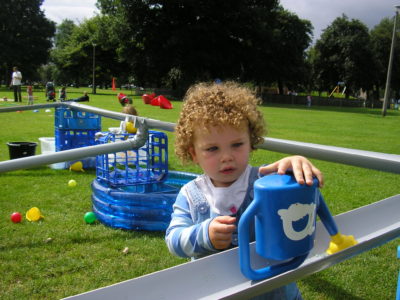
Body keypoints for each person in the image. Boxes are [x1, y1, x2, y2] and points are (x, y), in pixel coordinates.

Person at [165, 81, 323, 300]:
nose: (227, 156)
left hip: (275, 293)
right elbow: (173, 240)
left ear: (251, 142)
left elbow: (303, 205)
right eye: (212, 148)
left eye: (237, 144)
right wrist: (205, 234)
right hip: (217, 291)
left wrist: (296, 167)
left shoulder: (268, 181)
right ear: (193, 154)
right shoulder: (191, 195)